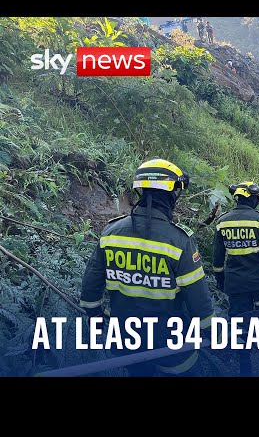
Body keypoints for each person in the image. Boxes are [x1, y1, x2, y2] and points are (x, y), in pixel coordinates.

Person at [80, 159, 214, 377]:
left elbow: (90, 288)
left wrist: (95, 315)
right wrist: (211, 331)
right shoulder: (179, 240)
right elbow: (198, 298)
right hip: (171, 342)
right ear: (172, 192)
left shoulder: (111, 232)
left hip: (126, 337)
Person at [212, 181, 259, 376]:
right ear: (252, 199)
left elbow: (217, 257)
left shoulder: (223, 221)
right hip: (257, 283)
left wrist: (220, 278)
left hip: (234, 282)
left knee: (237, 318)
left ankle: (243, 359)